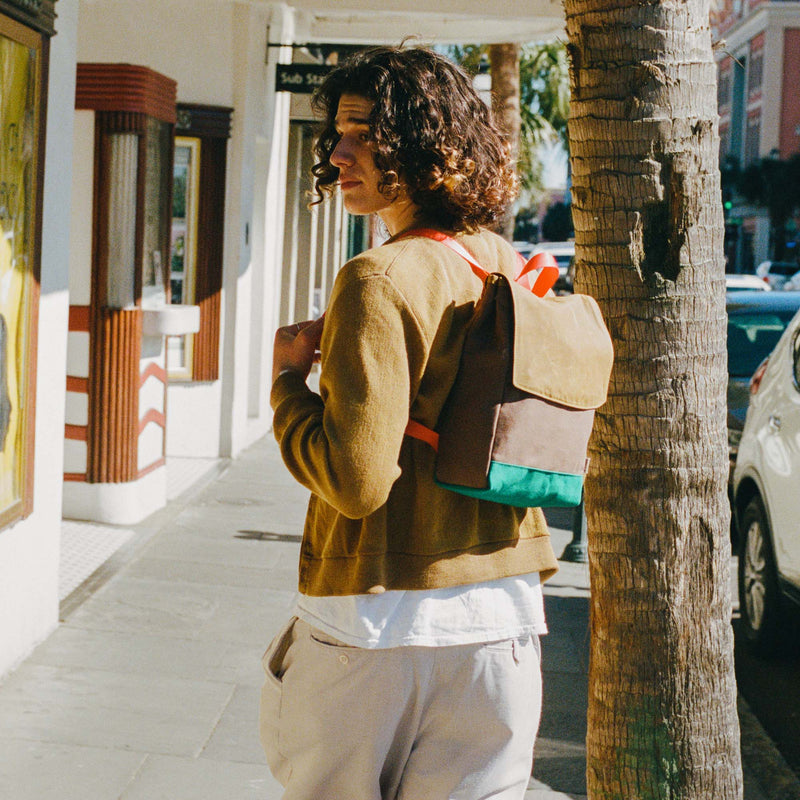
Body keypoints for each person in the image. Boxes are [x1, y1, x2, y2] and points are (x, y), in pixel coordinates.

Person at [260, 45, 559, 800]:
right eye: (337, 132)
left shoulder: (377, 277)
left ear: (424, 143)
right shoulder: (501, 264)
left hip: (375, 624)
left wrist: (287, 384)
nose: (338, 150)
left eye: (364, 131)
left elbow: (355, 484)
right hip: (504, 625)